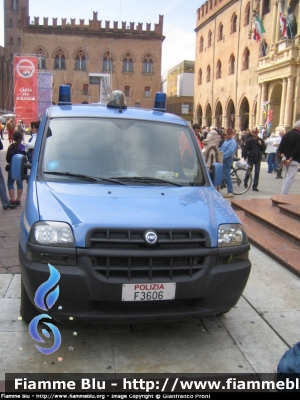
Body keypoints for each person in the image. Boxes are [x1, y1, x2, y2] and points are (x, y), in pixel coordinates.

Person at [278, 120, 300, 194]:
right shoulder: (298, 135)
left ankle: (283, 194)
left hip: (285, 159)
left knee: (285, 177)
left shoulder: (286, 134)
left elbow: (280, 149)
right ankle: (283, 195)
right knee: (289, 178)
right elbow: (297, 149)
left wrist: (284, 157)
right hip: (293, 160)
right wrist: (290, 160)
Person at [242, 127, 266, 191]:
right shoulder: (249, 140)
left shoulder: (260, 140)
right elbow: (245, 149)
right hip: (251, 158)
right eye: (254, 132)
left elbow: (264, 149)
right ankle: (245, 180)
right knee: (249, 170)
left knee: (257, 172)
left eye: (257, 132)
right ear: (252, 133)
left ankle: (255, 185)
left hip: (258, 158)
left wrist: (260, 145)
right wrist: (245, 157)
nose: (256, 134)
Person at [6, 130, 26, 206]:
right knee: (19, 183)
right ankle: (18, 199)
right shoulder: (23, 148)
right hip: (20, 168)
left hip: (12, 167)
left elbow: (7, 159)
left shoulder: (11, 147)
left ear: (13, 138)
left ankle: (12, 199)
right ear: (21, 138)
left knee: (10, 183)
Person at [219, 127, 237, 198]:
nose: (228, 135)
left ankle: (230, 192)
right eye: (227, 134)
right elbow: (222, 148)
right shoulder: (226, 141)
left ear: (232, 134)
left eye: (229, 134)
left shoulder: (233, 142)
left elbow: (230, 152)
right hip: (223, 159)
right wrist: (217, 150)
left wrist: (222, 156)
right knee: (223, 175)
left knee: (227, 176)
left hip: (227, 160)